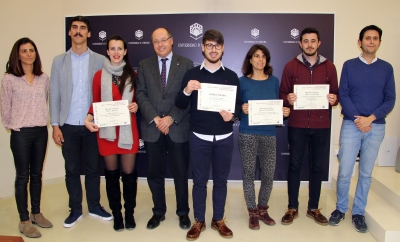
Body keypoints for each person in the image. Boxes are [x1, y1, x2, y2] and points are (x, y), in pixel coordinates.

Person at [176, 29, 242, 240]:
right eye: (209, 45)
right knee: (199, 182)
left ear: (222, 48)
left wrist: (232, 116)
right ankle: (199, 221)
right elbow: (179, 104)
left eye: (217, 46)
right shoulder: (192, 74)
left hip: (223, 138)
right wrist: (187, 90)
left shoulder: (231, 76)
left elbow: (238, 107)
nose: (213, 49)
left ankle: (218, 220)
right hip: (199, 137)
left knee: (221, 181)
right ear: (202, 47)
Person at [328, 25, 395, 233]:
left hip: (376, 127)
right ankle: (340, 209)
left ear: (379, 42)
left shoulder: (387, 68)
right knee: (345, 170)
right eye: (368, 38)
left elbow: (390, 98)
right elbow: (344, 94)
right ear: (360, 41)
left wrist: (371, 119)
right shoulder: (349, 65)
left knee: (366, 173)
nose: (371, 41)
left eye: (375, 38)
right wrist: (359, 120)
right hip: (351, 125)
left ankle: (358, 212)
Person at [49, 15, 112, 228]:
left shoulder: (99, 60)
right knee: (72, 169)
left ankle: (94, 206)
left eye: (82, 28)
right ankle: (75, 209)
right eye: (74, 27)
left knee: (94, 168)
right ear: (69, 32)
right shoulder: (59, 61)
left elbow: (106, 92)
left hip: (92, 123)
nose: (78, 31)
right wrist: (55, 125)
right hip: (68, 124)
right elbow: (55, 94)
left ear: (89, 33)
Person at [279, 27, 338, 226]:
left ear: (319, 43)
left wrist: (333, 99)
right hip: (297, 124)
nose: (309, 44)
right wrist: (288, 98)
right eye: (306, 41)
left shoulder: (330, 67)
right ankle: (292, 207)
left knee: (317, 167)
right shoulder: (290, 66)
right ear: (300, 43)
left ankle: (313, 207)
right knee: (294, 166)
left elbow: (335, 96)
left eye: (313, 41)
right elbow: (282, 94)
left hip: (322, 125)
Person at [136, 27, 194, 230]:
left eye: (164, 40)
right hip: (152, 128)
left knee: (180, 174)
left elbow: (187, 97)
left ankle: (183, 212)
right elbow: (141, 94)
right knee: (154, 174)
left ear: (172, 40)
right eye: (156, 41)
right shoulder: (144, 65)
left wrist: (170, 119)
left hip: (177, 127)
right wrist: (156, 118)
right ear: (152, 44)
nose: (160, 44)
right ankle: (158, 212)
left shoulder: (186, 63)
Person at [84, 35, 139, 231]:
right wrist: (88, 118)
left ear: (125, 52)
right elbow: (95, 102)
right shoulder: (99, 75)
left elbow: (139, 99)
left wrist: (136, 105)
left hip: (127, 132)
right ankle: (117, 214)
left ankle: (129, 213)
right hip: (107, 133)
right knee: (111, 176)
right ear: (107, 51)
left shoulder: (133, 74)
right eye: (112, 49)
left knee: (129, 176)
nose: (116, 52)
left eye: (119, 49)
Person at [0, 38, 53, 238]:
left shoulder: (43, 78)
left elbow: (44, 102)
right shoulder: (9, 79)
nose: (29, 54)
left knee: (37, 174)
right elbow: (5, 107)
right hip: (21, 133)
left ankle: (36, 213)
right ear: (17, 54)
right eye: (24, 51)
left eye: (32, 50)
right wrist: (13, 126)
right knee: (23, 176)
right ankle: (24, 220)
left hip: (40, 131)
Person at [238, 44, 290, 230]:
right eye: (257, 56)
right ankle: (252, 211)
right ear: (250, 59)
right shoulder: (242, 82)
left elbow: (276, 107)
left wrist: (283, 112)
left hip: (269, 134)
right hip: (248, 133)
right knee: (249, 174)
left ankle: (262, 209)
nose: (260, 60)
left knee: (268, 175)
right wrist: (241, 109)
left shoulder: (274, 81)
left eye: (264, 56)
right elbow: (235, 109)